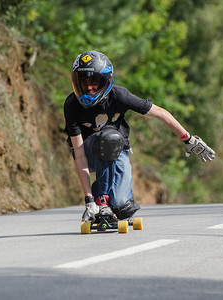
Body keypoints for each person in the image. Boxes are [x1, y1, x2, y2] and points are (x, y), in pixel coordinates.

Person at [63, 51, 215, 223]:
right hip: (89, 152)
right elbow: (80, 154)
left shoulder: (119, 95)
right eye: (82, 82)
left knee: (122, 206)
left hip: (117, 149)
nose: (88, 88)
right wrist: (89, 199)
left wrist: (189, 139)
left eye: (94, 82)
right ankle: (101, 202)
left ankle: (112, 206)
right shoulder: (72, 105)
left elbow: (161, 114)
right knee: (108, 137)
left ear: (106, 81)